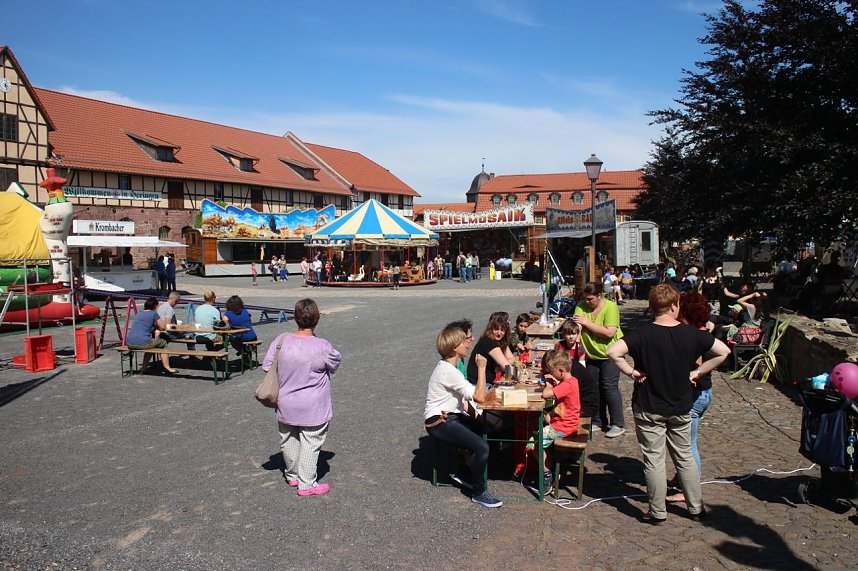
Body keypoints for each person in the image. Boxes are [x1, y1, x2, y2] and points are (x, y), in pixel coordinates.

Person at [606, 284, 729, 523]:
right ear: (675, 306)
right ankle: (696, 507)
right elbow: (723, 352)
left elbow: (613, 352)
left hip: (648, 404)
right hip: (681, 404)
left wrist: (631, 372)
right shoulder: (691, 334)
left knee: (654, 459)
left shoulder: (641, 333)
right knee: (684, 456)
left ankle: (657, 511)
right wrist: (698, 372)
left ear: (652, 308)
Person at [262, 298, 341, 496]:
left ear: (296, 318)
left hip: (286, 401)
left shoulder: (281, 340)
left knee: (288, 439)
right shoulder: (322, 346)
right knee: (311, 442)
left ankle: (292, 475)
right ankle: (307, 483)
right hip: (313, 405)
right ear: (316, 319)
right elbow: (335, 364)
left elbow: (267, 367)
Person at [424, 325, 501, 507]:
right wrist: (482, 368)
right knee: (481, 447)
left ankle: (465, 472)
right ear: (454, 347)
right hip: (440, 422)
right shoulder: (448, 371)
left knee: (487, 427)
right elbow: (479, 396)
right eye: (464, 341)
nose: (468, 344)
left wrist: (482, 419)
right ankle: (479, 492)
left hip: (450, 417)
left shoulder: (449, 368)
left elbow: (468, 400)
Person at [666, 291, 716, 503]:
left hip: (695, 395)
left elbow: (695, 365)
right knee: (687, 441)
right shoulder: (705, 330)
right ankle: (682, 478)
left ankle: (689, 491)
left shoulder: (694, 335)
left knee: (687, 445)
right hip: (703, 393)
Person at [573, 283, 625, 438]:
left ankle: (617, 423)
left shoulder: (610, 307)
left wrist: (588, 323)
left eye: (590, 299)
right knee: (593, 388)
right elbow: (577, 327)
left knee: (609, 387)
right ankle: (597, 420)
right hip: (591, 355)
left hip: (611, 354)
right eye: (585, 299)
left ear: (599, 296)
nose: (587, 302)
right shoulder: (581, 306)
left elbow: (609, 332)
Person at [530, 349, 581, 493]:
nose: (551, 374)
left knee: (535, 442)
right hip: (567, 421)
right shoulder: (572, 381)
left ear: (561, 370)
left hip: (563, 426)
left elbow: (546, 394)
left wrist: (548, 384)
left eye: (552, 372)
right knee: (545, 419)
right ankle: (551, 467)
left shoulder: (567, 385)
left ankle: (547, 475)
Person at [555, 319, 599, 419]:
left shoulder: (580, 348)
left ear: (577, 334)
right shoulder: (559, 346)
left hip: (575, 377)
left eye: (573, 334)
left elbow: (582, 367)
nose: (571, 337)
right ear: (564, 335)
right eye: (568, 334)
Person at [126, 296, 176, 373]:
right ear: (155, 306)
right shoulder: (153, 313)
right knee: (163, 343)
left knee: (150, 346)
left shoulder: (139, 313)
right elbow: (162, 327)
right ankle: (167, 367)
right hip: (143, 342)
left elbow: (144, 325)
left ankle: (143, 368)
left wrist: (153, 328)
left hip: (129, 342)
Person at [466, 311, 515, 385]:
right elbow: (507, 368)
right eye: (496, 329)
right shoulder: (489, 342)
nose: (499, 333)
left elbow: (512, 358)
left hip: (487, 381)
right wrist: (519, 374)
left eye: (502, 330)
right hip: (479, 384)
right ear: (490, 329)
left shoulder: (501, 341)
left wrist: (501, 365)